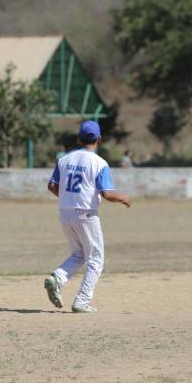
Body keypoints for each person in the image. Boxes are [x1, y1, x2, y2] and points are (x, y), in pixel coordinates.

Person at [43, 121, 131, 314]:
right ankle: (82, 300)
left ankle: (57, 278)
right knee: (96, 259)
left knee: (79, 254)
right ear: (99, 139)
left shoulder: (64, 159)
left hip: (65, 212)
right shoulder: (99, 163)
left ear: (78, 138)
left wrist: (68, 198)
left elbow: (51, 185)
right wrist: (123, 197)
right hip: (86, 214)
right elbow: (107, 193)